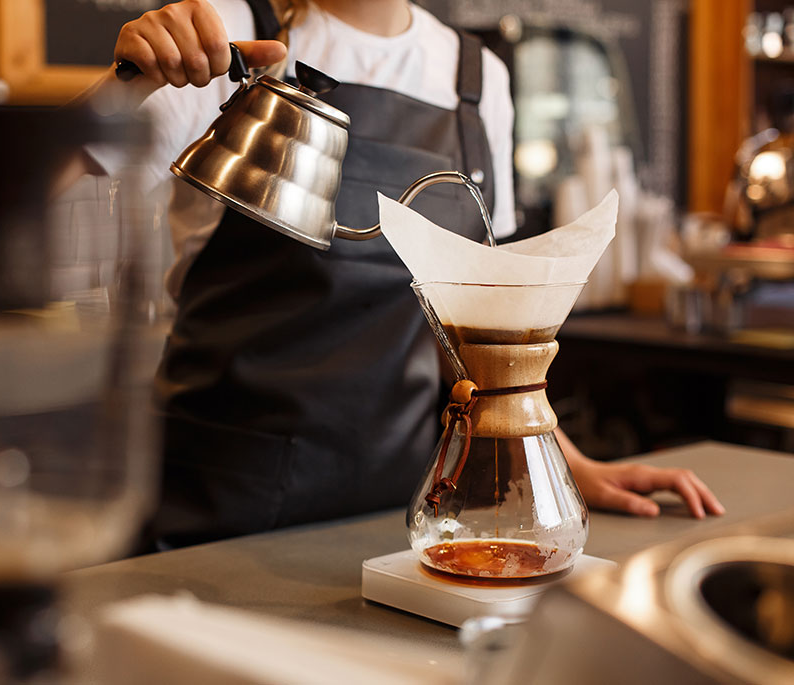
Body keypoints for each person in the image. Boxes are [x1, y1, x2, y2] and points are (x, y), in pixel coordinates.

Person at [88, 0, 724, 547]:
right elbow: (21, 207)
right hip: (216, 505)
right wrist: (125, 85)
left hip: (400, 514)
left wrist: (566, 460)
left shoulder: (477, 79)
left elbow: (473, 323)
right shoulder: (222, 30)